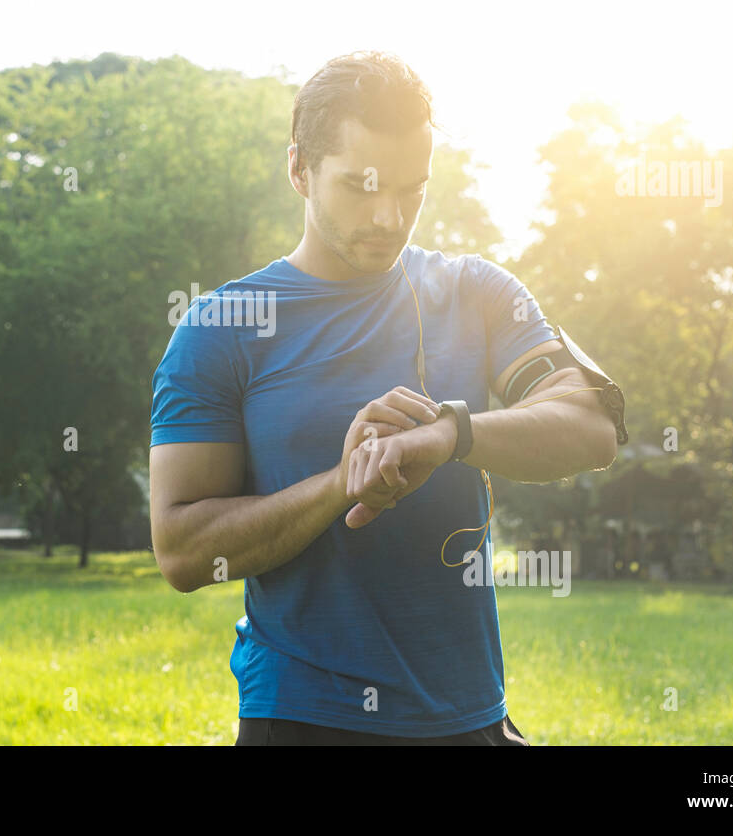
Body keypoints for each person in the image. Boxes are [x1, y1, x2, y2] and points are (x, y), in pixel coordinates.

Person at [148, 51, 619, 745]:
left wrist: (449, 434)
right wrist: (341, 484)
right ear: (299, 170)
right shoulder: (220, 328)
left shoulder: (476, 291)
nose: (389, 215)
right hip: (305, 714)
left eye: (411, 189)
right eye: (361, 187)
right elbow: (183, 551)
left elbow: (593, 425)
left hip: (470, 712)